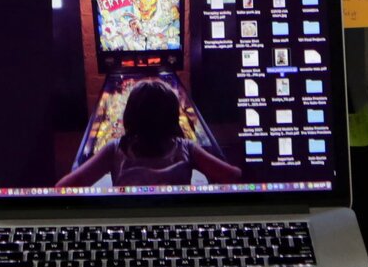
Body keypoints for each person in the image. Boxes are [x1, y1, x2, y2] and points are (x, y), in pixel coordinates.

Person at [57, 80, 241, 190]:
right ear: (173, 119)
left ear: (129, 116)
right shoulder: (187, 148)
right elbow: (232, 176)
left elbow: (63, 187)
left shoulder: (115, 149)